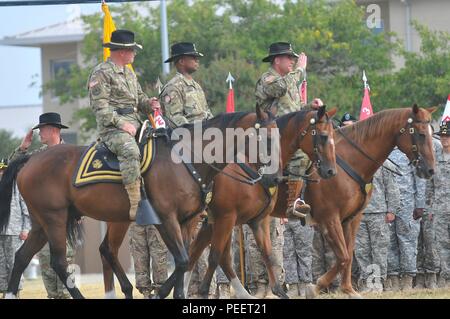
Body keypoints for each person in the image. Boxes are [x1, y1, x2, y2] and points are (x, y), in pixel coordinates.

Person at [159, 42, 215, 298]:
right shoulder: (173, 87)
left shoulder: (195, 85)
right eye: (193, 57)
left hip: (203, 141)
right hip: (183, 145)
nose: (197, 60)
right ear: (181, 61)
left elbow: (206, 114)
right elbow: (174, 120)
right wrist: (200, 133)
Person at [87, 29, 160, 222]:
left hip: (136, 123)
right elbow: (100, 109)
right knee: (131, 151)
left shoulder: (129, 73)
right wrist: (122, 125)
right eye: (132, 50)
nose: (134, 54)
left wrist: (149, 104)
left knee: (161, 144)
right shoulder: (101, 73)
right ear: (122, 52)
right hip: (112, 129)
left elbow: (139, 99)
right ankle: (136, 204)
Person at [9, 112, 75, 299]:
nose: (39, 133)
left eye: (42, 129)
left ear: (54, 129)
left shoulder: (71, 155)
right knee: (50, 284)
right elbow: (10, 168)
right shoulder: (38, 156)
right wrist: (22, 148)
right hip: (44, 225)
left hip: (65, 224)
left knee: (66, 280)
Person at [354, 160, 400, 293]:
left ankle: (379, 282)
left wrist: (392, 210)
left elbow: (392, 188)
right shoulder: (354, 162)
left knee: (379, 249)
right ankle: (368, 282)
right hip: (359, 213)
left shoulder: (384, 164)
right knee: (362, 250)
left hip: (379, 213)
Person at [387, 147, 426, 291]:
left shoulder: (412, 153)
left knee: (408, 242)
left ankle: (407, 281)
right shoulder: (383, 150)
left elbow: (420, 180)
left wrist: (420, 205)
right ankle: (394, 280)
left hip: (408, 205)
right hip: (388, 205)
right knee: (389, 243)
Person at [0, 159, 31, 299]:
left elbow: (26, 209)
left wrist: (25, 229)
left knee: (14, 263)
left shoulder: (15, 186)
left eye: (3, 170)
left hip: (14, 231)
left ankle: (15, 293)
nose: (2, 173)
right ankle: (4, 292)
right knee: (0, 265)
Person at [425, 121, 450, 288]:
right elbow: (430, 186)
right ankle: (447, 278)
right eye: (442, 136)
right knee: (441, 244)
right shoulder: (435, 158)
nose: (445, 140)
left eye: (447, 136)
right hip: (440, 208)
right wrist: (430, 207)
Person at [415, 137, 440, 289]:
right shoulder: (413, 149)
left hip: (435, 205)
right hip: (413, 205)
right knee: (416, 243)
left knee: (432, 243)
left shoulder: (438, 149)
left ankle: (435, 277)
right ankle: (419, 277)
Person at [129, 223, 168, 298]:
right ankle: (146, 292)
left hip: (156, 219)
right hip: (137, 219)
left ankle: (158, 292)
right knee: (139, 257)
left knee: (158, 255)